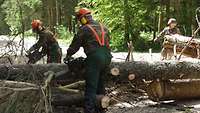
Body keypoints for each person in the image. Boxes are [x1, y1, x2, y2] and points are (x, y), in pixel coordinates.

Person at [64, 8, 112, 113]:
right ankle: (101, 107)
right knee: (100, 84)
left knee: (91, 86)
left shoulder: (84, 29)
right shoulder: (103, 27)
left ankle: (89, 110)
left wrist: (68, 55)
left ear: (83, 19)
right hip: (107, 58)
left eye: (80, 20)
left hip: (95, 59)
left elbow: (75, 46)